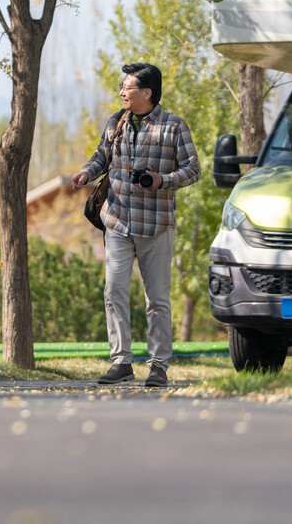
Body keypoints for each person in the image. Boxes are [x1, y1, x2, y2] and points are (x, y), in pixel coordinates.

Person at [71, 63, 200, 387]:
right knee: (113, 290)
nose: (121, 92)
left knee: (156, 298)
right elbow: (102, 155)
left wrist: (162, 180)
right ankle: (121, 361)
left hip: (156, 226)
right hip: (117, 221)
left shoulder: (174, 126)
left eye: (127, 87)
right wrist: (87, 172)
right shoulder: (116, 121)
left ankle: (158, 365)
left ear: (147, 92)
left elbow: (193, 169)